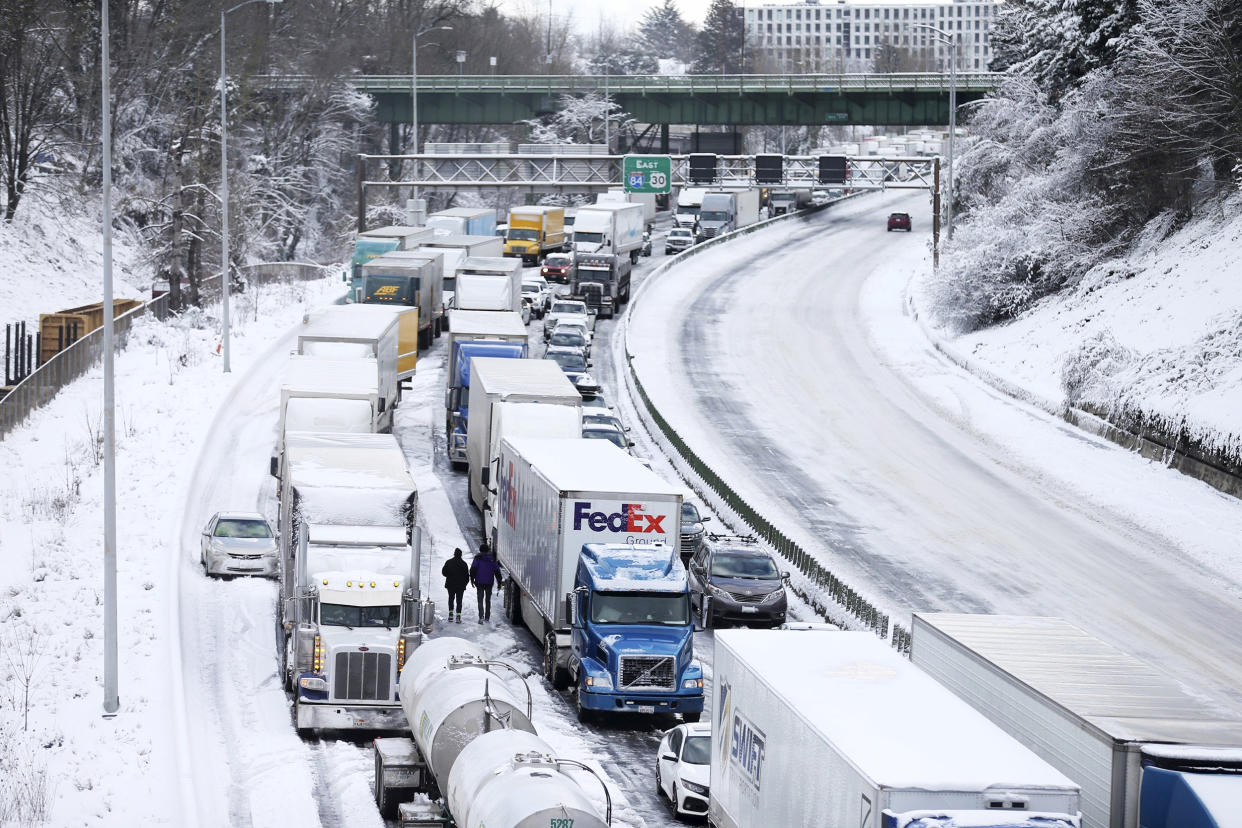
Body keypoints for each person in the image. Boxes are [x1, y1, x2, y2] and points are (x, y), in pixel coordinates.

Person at [470, 543, 501, 622]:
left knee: (480, 599)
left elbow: (473, 569)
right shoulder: (492, 559)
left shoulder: (477, 558)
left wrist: (472, 579)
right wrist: (499, 582)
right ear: (488, 550)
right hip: (489, 583)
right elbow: (497, 571)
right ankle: (487, 617)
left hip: (479, 582)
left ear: (480, 550)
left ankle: (481, 616)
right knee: (488, 600)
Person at [441, 548, 470, 623]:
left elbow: (444, 572)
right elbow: (467, 576)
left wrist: (449, 576)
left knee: (451, 599)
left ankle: (450, 614)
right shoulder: (464, 564)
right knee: (459, 600)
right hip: (460, 586)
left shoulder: (448, 562)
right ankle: (458, 616)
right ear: (461, 555)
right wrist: (464, 584)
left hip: (450, 584)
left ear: (454, 554)